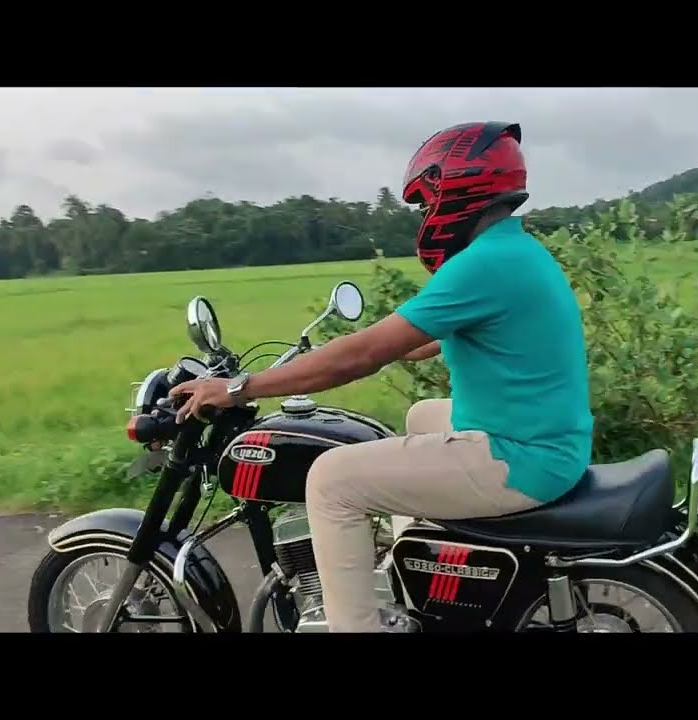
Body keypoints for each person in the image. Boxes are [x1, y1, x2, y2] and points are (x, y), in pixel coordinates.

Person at [168, 121, 594, 632]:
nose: (426, 215)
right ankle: (420, 583)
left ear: (457, 189)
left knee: (329, 480)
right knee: (420, 417)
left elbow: (362, 354)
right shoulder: (514, 252)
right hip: (546, 438)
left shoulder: (484, 265)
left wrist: (239, 386)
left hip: (523, 457)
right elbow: (438, 338)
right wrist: (403, 338)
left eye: (425, 202)